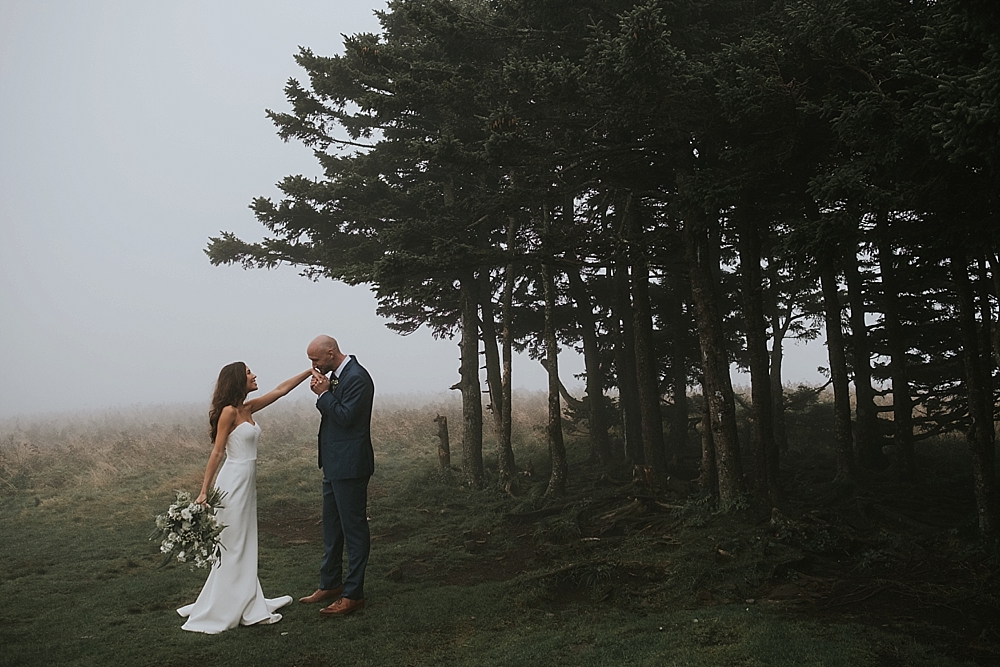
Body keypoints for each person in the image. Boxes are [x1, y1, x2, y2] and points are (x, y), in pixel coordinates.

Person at [177, 362, 312, 634]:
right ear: (238, 380)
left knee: (244, 542)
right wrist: (204, 491)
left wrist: (308, 372)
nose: (254, 375)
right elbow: (217, 453)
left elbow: (281, 390)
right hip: (232, 484)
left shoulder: (247, 408)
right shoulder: (228, 412)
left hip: (247, 485)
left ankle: (245, 596)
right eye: (249, 372)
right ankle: (229, 603)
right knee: (233, 544)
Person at [298, 335, 375, 616]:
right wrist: (327, 391)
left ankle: (353, 594)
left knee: (354, 530)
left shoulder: (358, 377)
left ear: (331, 353)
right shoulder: (337, 376)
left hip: (351, 465)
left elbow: (345, 417)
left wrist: (324, 395)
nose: (313, 365)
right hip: (333, 465)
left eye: (315, 359)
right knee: (332, 529)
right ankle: (330, 584)